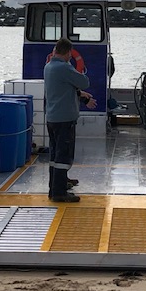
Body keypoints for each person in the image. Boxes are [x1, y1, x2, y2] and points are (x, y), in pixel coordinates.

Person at [44, 38, 97, 202]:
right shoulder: (63, 67)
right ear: (68, 53)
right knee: (63, 156)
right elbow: (84, 82)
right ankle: (59, 193)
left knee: (55, 155)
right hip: (64, 119)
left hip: (52, 117)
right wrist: (72, 71)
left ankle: (55, 186)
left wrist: (80, 95)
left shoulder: (49, 67)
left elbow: (63, 89)